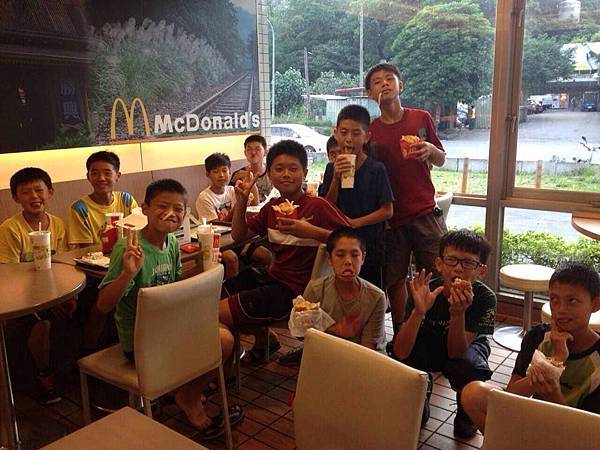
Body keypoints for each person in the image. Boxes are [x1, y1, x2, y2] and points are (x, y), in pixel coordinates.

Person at [96, 179, 242, 439]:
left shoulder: (171, 243)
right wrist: (127, 274)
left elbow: (173, 285)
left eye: (178, 209)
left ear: (185, 214)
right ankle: (188, 396)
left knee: (225, 334)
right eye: (162, 206)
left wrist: (204, 267)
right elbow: (103, 304)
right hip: (139, 342)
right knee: (222, 341)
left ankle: (185, 390)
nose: (170, 213)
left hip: (167, 330)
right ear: (145, 208)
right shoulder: (128, 248)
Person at [218, 140, 350, 361]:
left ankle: (228, 369)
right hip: (272, 277)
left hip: (296, 291)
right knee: (218, 294)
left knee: (218, 313)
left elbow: (352, 240)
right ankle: (264, 342)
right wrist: (241, 201)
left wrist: (311, 231)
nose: (286, 174)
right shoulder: (272, 208)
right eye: (279, 169)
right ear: (269, 174)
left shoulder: (317, 206)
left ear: (304, 172)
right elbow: (239, 236)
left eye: (293, 168)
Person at [461, 261, 600, 433]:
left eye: (572, 300)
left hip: (570, 434)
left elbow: (587, 431)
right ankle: (504, 442)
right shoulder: (537, 336)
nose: (561, 309)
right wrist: (554, 362)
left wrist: (553, 393)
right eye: (554, 299)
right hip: (532, 416)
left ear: (595, 304)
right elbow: (512, 395)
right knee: (473, 393)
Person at [365, 62, 447, 334]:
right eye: (377, 81)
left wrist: (430, 149)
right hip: (391, 217)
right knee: (394, 278)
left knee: (437, 274)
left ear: (401, 85)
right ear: (369, 93)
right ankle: (400, 330)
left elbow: (441, 159)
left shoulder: (420, 118)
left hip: (425, 212)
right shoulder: (370, 131)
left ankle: (435, 328)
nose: (384, 84)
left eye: (389, 79)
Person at [392, 229, 495, 438]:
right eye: (451, 260)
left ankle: (466, 412)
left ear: (481, 270)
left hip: (466, 346)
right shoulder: (424, 291)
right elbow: (400, 351)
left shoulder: (484, 298)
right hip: (430, 340)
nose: (458, 268)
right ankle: (421, 390)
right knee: (402, 356)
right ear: (439, 264)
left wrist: (458, 313)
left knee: (468, 365)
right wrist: (419, 312)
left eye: (468, 262)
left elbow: (456, 353)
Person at [0, 168, 72, 404]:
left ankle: (73, 370)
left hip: (54, 290)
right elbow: (8, 274)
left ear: (50, 192)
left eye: (39, 190)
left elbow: (62, 263)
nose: (34, 196)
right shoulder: (10, 229)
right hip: (21, 297)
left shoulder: (57, 224)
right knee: (43, 323)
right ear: (15, 197)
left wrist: (66, 296)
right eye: (25, 192)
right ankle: (43, 374)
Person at [279, 227, 386, 366]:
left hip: (365, 362)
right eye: (340, 255)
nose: (348, 261)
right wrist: (301, 322)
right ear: (329, 259)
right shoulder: (316, 289)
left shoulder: (376, 297)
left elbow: (368, 350)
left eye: (355, 255)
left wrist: (327, 330)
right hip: (326, 356)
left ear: (363, 258)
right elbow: (302, 336)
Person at [320, 104, 394, 288]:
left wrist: (355, 223)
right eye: (344, 132)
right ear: (335, 133)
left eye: (356, 133)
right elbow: (326, 207)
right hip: (340, 246)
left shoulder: (376, 169)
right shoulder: (330, 168)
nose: (349, 139)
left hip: (370, 246)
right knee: (342, 291)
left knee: (371, 292)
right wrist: (336, 178)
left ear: (366, 137)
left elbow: (387, 210)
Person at [67, 151, 138, 247]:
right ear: (88, 177)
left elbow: (138, 235)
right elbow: (86, 251)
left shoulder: (126, 201)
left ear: (117, 176)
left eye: (107, 173)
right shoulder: (80, 209)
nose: (101, 178)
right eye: (95, 173)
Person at [230, 134, 273, 203]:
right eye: (249, 149)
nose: (253, 153)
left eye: (257, 149)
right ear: (245, 153)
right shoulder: (238, 175)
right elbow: (231, 201)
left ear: (265, 152)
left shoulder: (273, 172)